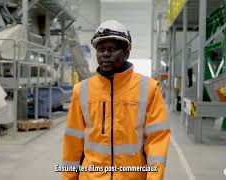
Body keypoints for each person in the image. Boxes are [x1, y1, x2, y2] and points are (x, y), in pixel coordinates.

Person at [62, 20, 170, 180]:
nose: (105, 54)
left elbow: (157, 139)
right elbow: (73, 142)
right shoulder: (81, 90)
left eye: (111, 49)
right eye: (101, 49)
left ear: (126, 52)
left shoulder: (149, 89)